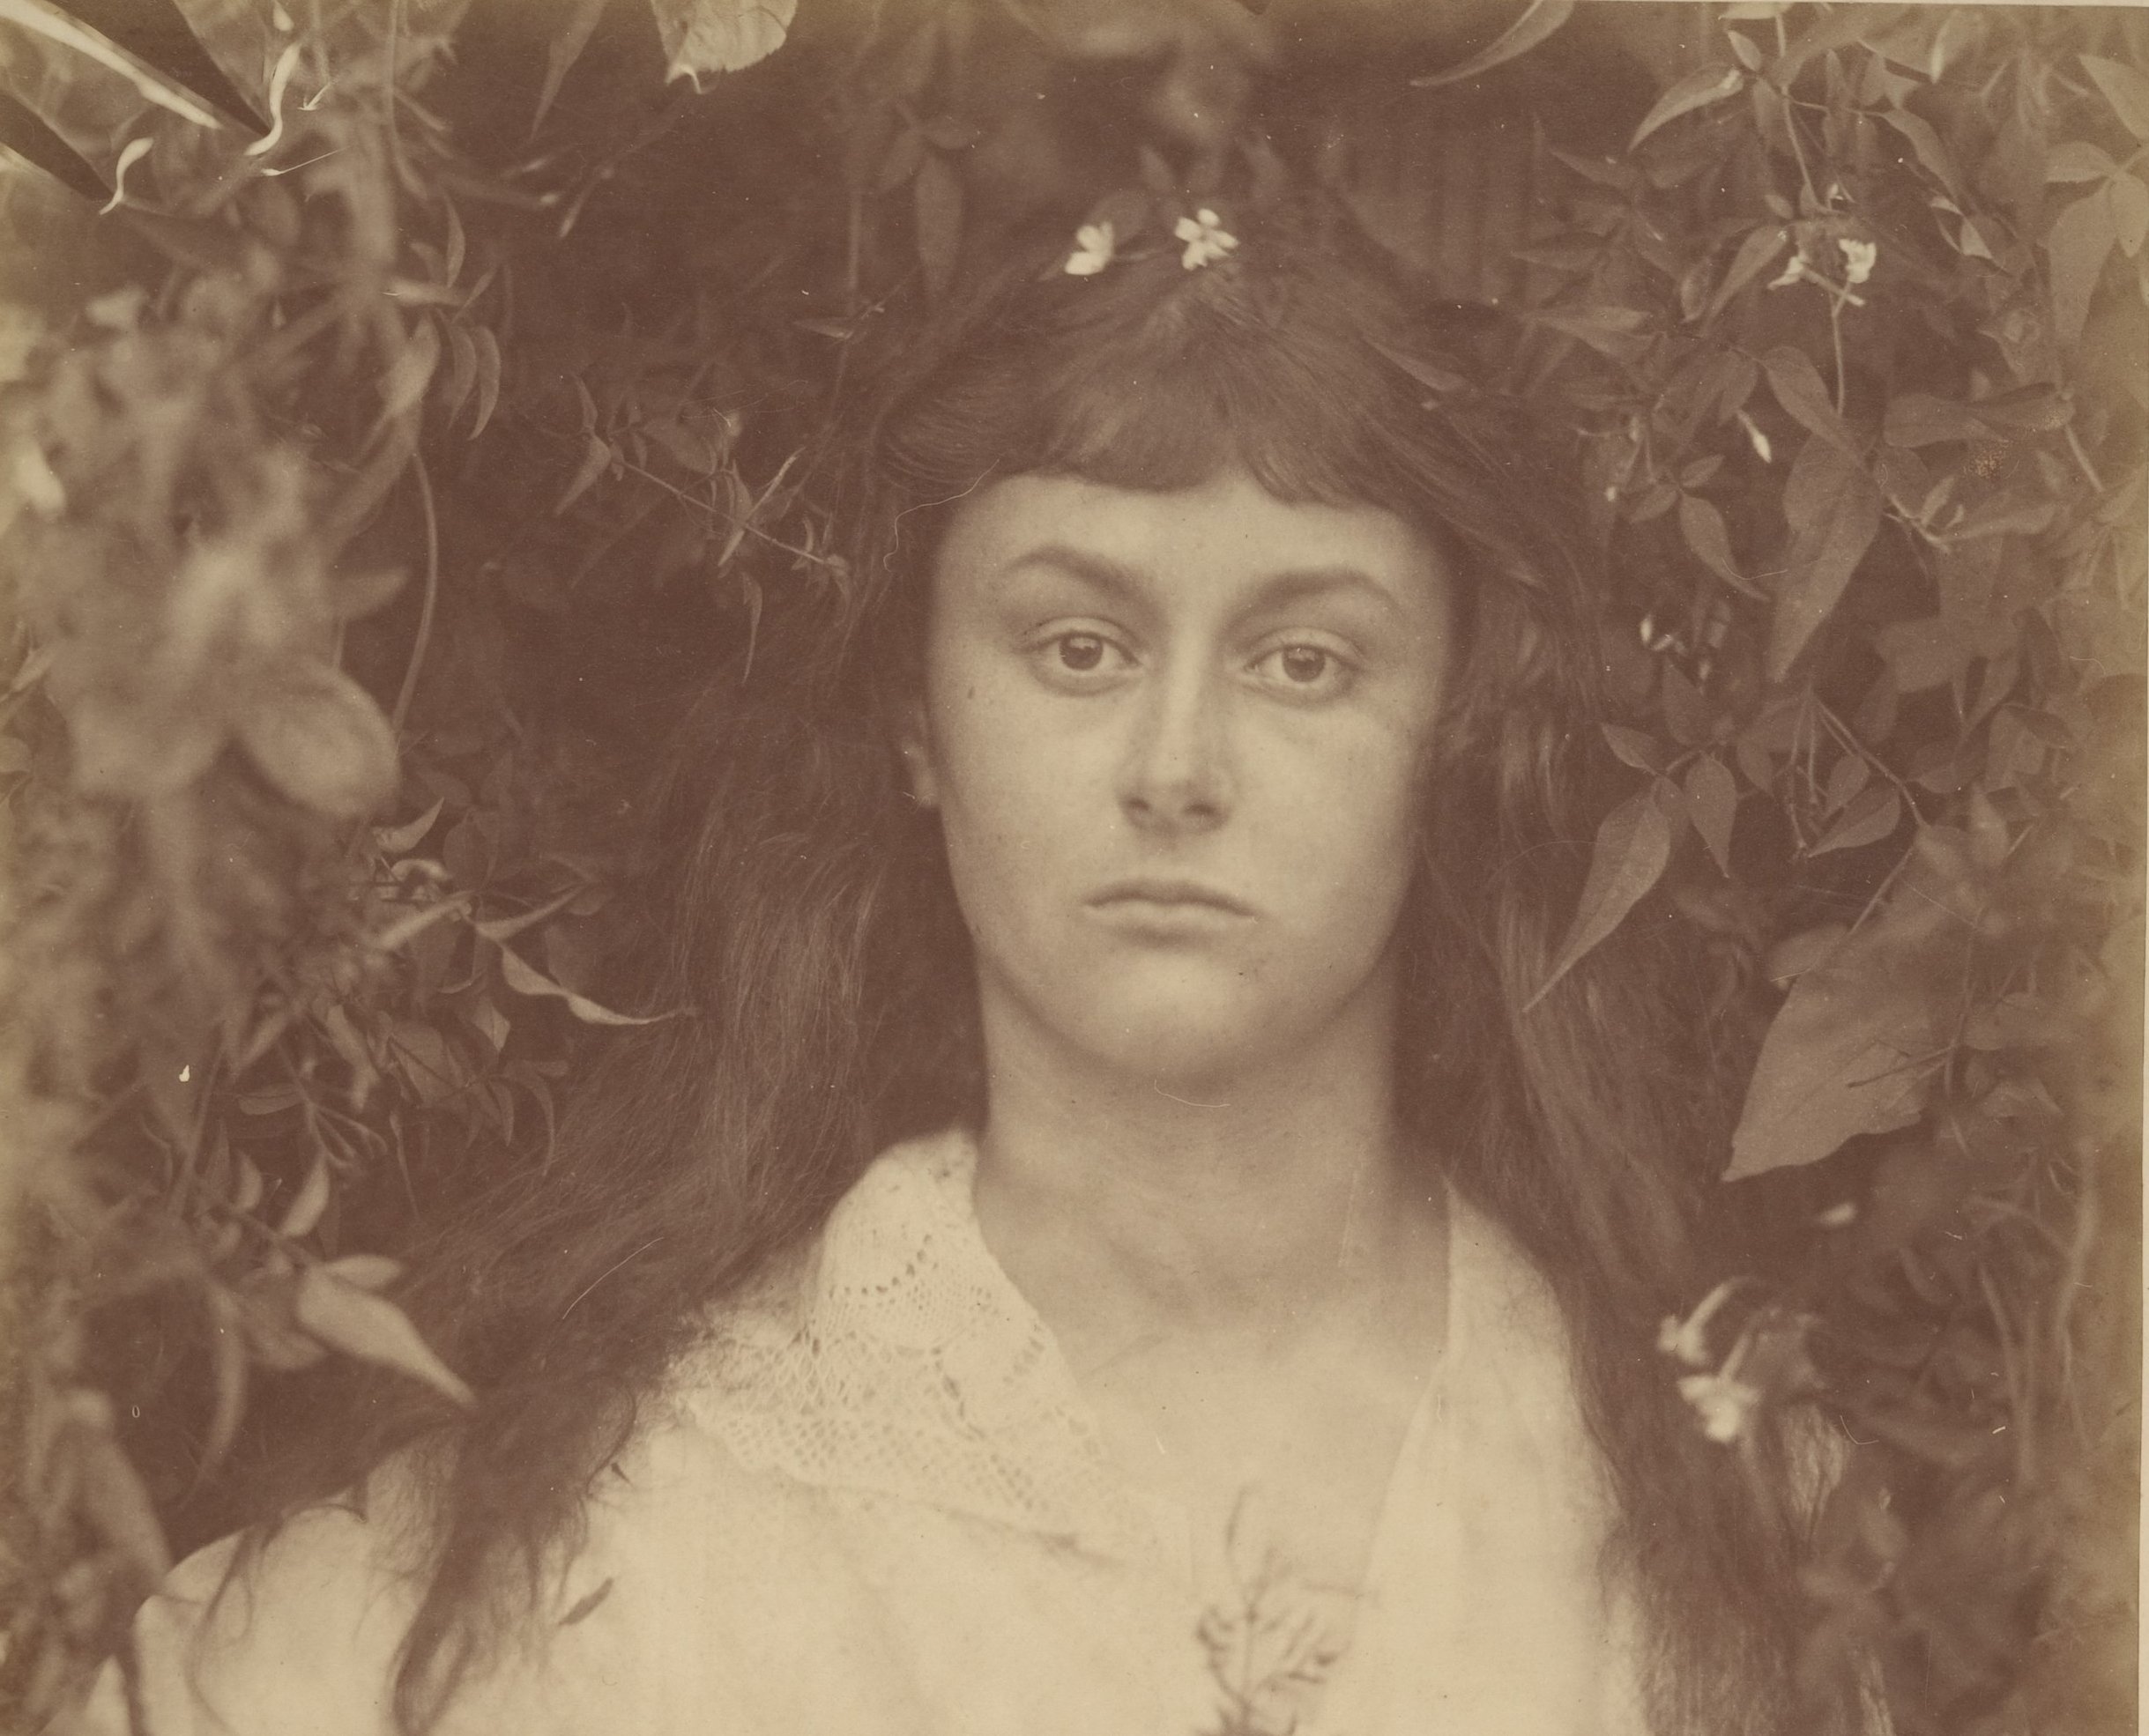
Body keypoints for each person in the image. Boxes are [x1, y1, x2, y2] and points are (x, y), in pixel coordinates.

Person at [83, 193, 1847, 1736]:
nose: (1178, 765)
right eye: (1076, 643)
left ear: (1453, 728)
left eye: (1304, 660)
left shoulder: (1685, 1486)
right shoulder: (622, 1495)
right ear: (916, 719)